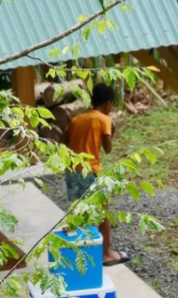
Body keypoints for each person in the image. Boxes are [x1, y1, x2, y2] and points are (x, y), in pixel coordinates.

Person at [64, 83, 130, 267]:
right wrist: (111, 133)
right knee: (103, 211)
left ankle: (77, 254)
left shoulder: (77, 119)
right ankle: (106, 254)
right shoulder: (104, 119)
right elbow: (108, 149)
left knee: (77, 209)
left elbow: (63, 141)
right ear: (108, 103)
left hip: (71, 170)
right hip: (90, 170)